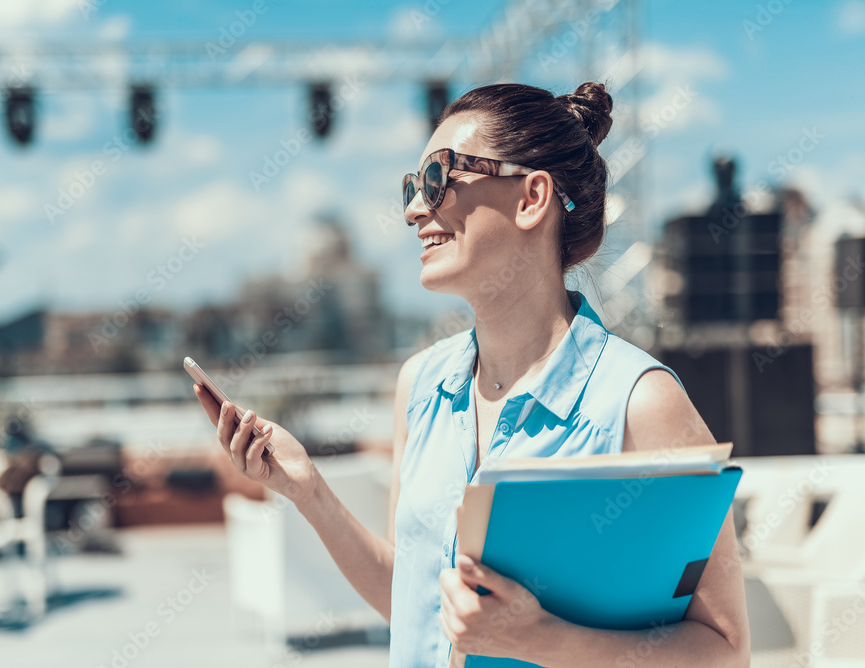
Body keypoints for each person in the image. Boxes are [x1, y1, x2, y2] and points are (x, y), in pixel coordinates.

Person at [192, 81, 751, 668]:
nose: (413, 209)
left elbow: (725, 651)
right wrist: (307, 490)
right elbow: (413, 602)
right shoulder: (421, 385)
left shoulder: (640, 402)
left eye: (437, 177)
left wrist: (542, 640)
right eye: (411, 187)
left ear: (532, 197)